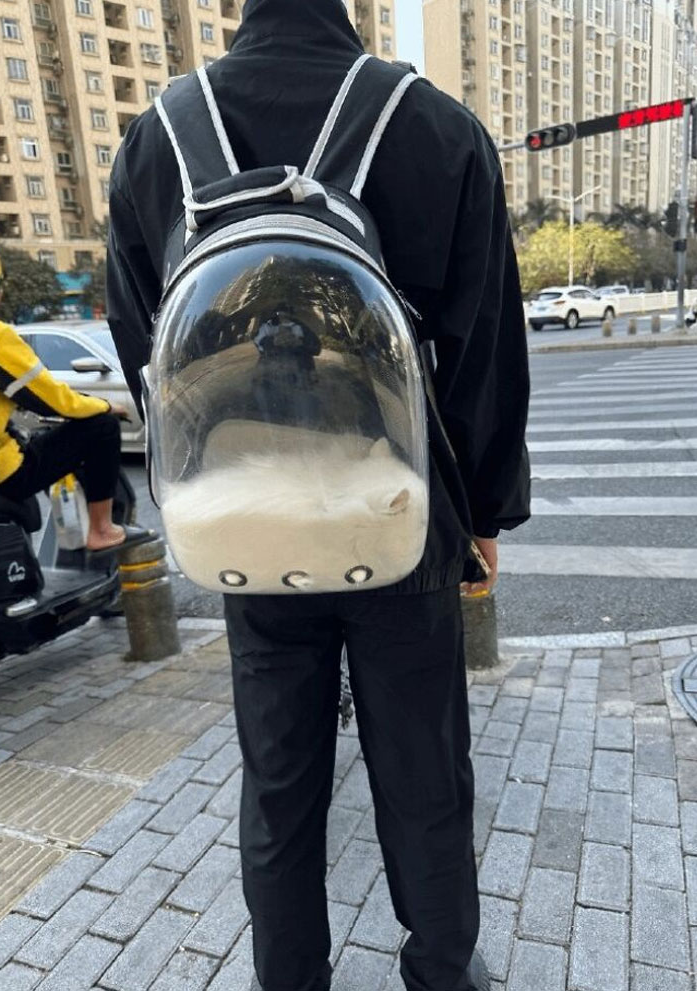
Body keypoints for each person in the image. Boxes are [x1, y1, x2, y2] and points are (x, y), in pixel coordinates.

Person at [106, 2, 531, 989]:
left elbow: (144, 353)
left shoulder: (158, 140)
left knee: (280, 775)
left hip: (246, 521)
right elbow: (484, 353)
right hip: (400, 516)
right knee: (425, 773)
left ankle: (288, 978)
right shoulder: (433, 125)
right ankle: (440, 972)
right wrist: (485, 514)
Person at [0, 250, 147, 552]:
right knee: (102, 428)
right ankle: (102, 530)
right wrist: (105, 406)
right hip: (5, 474)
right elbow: (52, 400)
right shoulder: (0, 338)